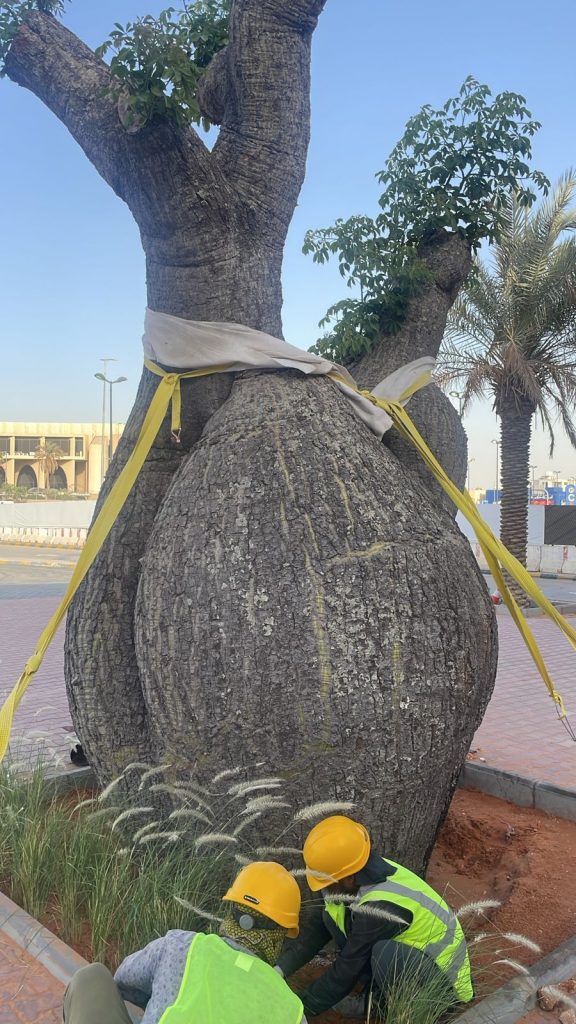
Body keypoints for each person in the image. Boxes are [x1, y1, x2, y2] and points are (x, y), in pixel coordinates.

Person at [277, 815, 473, 1018]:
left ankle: (385, 1006)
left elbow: (348, 966)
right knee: (331, 917)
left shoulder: (381, 904)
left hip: (443, 988)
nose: (323, 887)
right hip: (414, 961)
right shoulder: (357, 874)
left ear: (349, 876)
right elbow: (319, 928)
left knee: (385, 953)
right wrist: (281, 969)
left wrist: (296, 1009)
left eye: (326, 881)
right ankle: (375, 992)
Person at [63, 861, 305, 1024]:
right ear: (280, 936)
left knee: (91, 977)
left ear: (231, 911)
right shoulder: (293, 1012)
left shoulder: (180, 946)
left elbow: (124, 979)